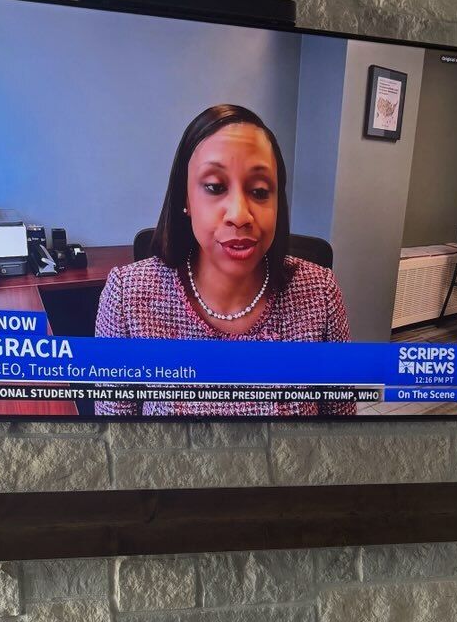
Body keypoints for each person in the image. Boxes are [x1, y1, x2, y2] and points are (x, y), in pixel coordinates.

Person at [94, 103, 355, 417]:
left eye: (260, 191)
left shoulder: (320, 293)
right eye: (215, 187)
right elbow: (114, 434)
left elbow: (341, 426)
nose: (239, 215)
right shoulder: (127, 295)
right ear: (185, 198)